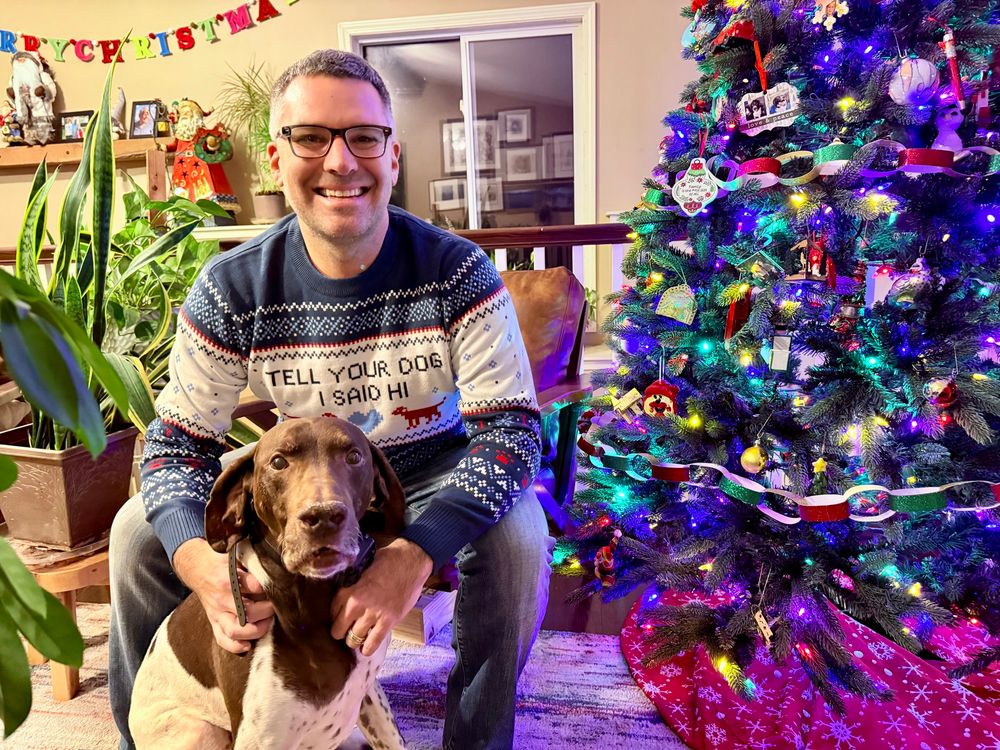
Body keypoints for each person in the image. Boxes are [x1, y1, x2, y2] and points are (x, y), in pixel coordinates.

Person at [108, 49, 553, 750]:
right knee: (138, 533)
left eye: (363, 137)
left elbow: (514, 434)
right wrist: (197, 562)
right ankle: (157, 730)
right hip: (309, 472)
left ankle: (477, 739)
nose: (341, 162)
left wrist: (412, 553)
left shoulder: (458, 271)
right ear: (279, 158)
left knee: (520, 538)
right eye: (312, 137)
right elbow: (176, 445)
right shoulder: (233, 288)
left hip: (435, 471)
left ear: (393, 155)